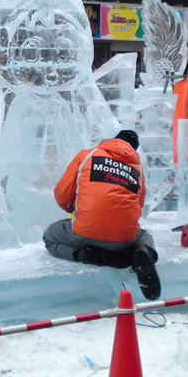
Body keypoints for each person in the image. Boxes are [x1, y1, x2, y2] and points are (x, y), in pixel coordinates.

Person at [43, 129, 161, 300]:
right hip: (124, 238)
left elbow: (62, 194)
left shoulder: (87, 155)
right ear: (134, 150)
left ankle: (85, 255)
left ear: (113, 140)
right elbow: (139, 206)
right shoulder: (137, 169)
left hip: (85, 231)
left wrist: (77, 210)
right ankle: (143, 252)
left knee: (50, 237)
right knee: (145, 235)